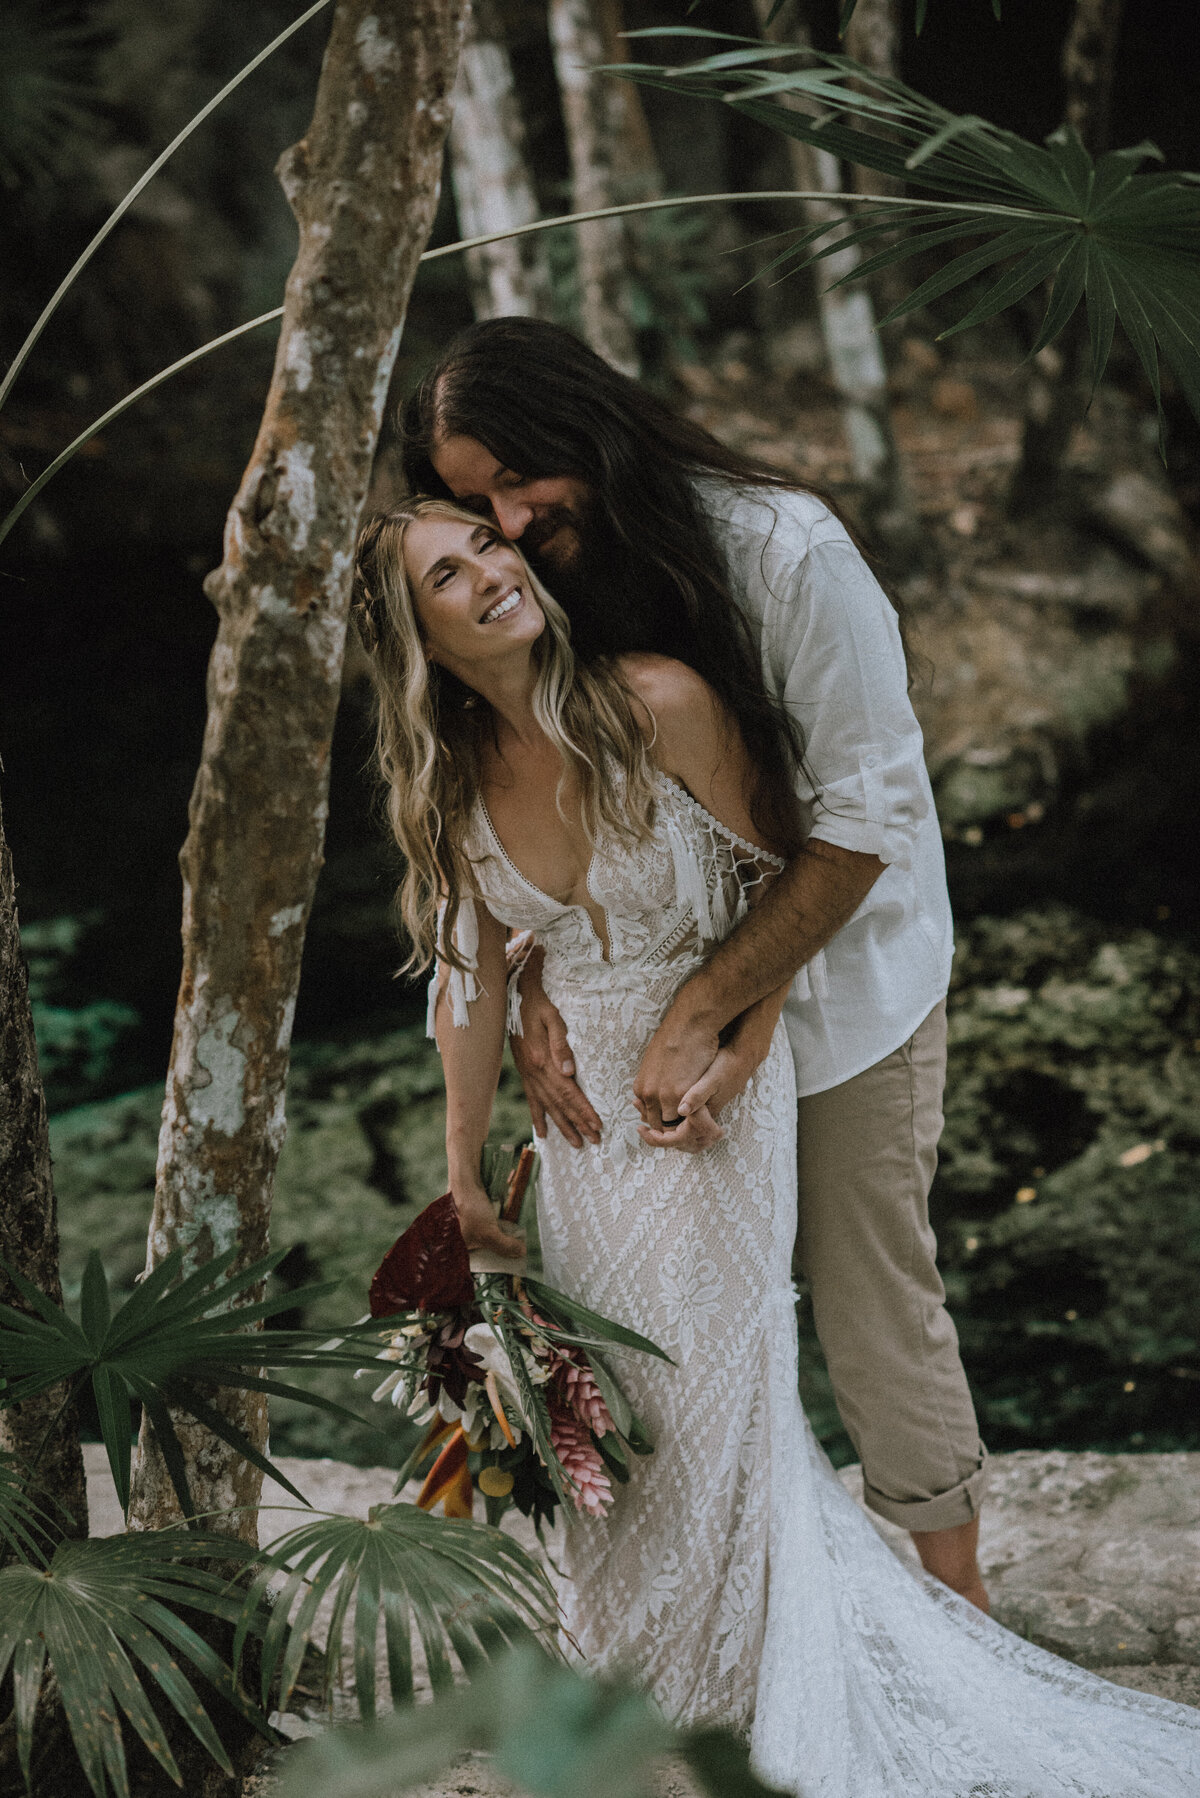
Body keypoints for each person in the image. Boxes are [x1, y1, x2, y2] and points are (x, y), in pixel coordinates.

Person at [351, 497, 1200, 1795]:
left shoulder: (664, 701)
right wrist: (466, 1172)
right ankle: (628, 1690)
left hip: (712, 1105)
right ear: (418, 638)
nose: (491, 572)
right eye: (449, 574)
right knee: (607, 1412)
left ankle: (736, 1694)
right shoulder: (453, 782)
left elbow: (785, 895)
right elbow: (469, 974)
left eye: (491, 544)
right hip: (578, 1146)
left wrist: (740, 1049)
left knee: (708, 1384)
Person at [400, 316, 988, 1609]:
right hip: (666, 1007)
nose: (509, 517)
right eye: (475, 505)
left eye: (513, 480)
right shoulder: (570, 563)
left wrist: (718, 1009)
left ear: (579, 426)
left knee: (869, 1289)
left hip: (856, 980)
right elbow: (595, 807)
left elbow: (858, 826)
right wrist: (550, 974)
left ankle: (963, 1595)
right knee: (661, 1332)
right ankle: (712, 1609)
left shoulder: (788, 553)